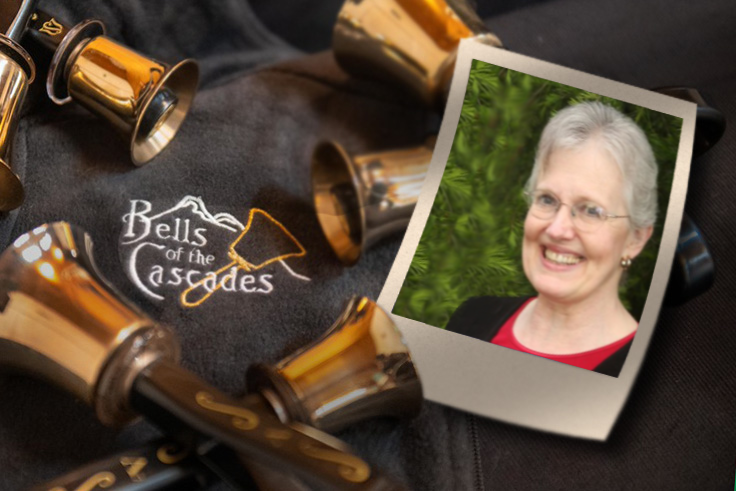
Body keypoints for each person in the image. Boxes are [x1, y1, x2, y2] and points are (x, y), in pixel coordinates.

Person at [446, 101, 658, 377]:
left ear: (636, 239)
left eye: (591, 211)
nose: (558, 229)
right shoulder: (472, 318)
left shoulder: (646, 375)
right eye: (547, 199)